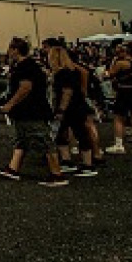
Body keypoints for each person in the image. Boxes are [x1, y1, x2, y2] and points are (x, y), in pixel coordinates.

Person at [0, 38, 69, 186]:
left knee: (42, 139)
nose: (8, 52)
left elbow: (25, 87)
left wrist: (9, 104)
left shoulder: (26, 67)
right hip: (25, 110)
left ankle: (57, 174)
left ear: (15, 50)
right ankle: (13, 168)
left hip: (32, 109)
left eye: (10, 49)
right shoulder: (26, 65)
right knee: (21, 139)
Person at [45, 42, 99, 177]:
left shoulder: (62, 74)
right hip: (77, 105)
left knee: (74, 133)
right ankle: (72, 161)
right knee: (70, 134)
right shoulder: (73, 71)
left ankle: (85, 164)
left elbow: (67, 92)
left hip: (70, 108)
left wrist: (61, 110)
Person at [105, 42, 132, 156]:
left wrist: (112, 65)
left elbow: (109, 74)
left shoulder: (120, 63)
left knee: (118, 118)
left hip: (123, 91)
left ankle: (119, 145)